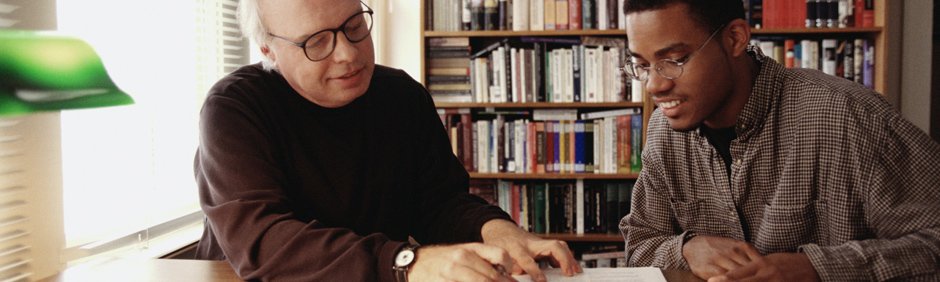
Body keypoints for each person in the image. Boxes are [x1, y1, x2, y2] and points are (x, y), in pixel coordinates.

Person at [192, 0, 582, 281]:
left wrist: (496, 230)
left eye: (354, 26)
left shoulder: (402, 95)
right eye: (316, 42)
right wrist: (405, 262)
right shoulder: (234, 109)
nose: (347, 53)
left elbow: (440, 203)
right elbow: (266, 242)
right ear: (268, 50)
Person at [618, 0, 940, 281]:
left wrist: (817, 269)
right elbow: (641, 244)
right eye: (642, 65)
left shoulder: (847, 117)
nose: (653, 85)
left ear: (735, 38)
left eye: (674, 60)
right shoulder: (663, 130)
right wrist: (686, 249)